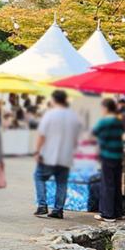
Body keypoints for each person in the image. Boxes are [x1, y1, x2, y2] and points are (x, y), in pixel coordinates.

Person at [33, 89, 84, 219]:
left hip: (48, 154)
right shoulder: (73, 116)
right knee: (61, 182)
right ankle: (58, 210)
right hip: (66, 155)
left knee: (39, 177)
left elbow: (41, 135)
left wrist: (37, 151)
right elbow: (77, 137)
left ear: (54, 100)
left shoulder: (50, 115)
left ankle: (42, 205)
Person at [91, 98, 125, 221]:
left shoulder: (104, 121)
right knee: (116, 183)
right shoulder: (119, 120)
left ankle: (107, 213)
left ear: (105, 108)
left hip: (107, 155)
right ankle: (117, 212)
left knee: (107, 184)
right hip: (118, 155)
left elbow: (93, 132)